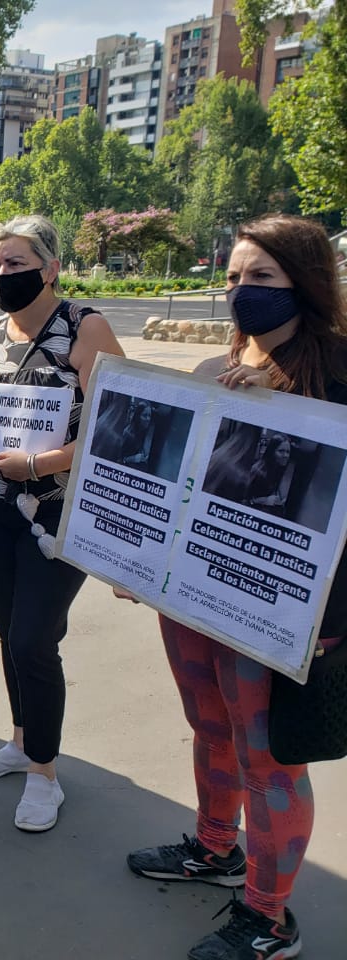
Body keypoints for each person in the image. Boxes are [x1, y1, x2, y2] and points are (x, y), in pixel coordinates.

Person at [124, 214, 347, 960]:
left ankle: (270, 918)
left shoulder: (339, 373)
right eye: (233, 278)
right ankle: (215, 849)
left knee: (268, 758)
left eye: (261, 278)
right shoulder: (222, 366)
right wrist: (141, 559)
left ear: (304, 284)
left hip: (282, 609)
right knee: (212, 729)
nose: (241, 292)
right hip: (195, 597)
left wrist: (277, 407)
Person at [0, 215, 122, 831]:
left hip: (60, 512)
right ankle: (21, 741)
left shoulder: (84, 326)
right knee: (5, 628)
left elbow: (117, 425)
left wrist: (40, 463)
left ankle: (45, 773)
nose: (2, 274)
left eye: (15, 263)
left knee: (32, 641)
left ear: (50, 267)